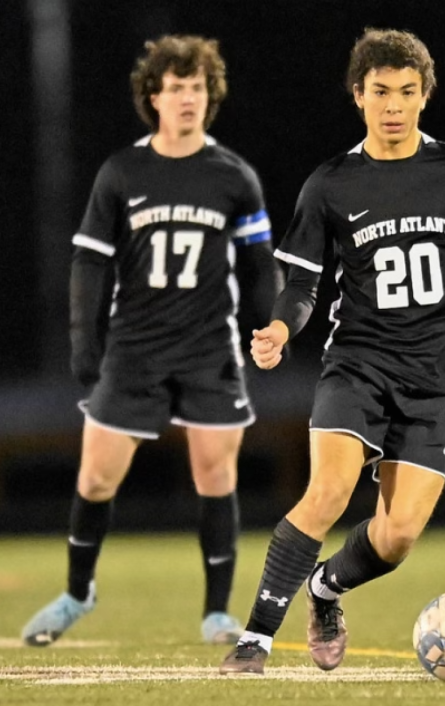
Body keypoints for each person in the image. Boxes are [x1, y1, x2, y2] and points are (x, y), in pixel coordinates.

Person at [218, 28, 445, 675]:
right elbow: (301, 283)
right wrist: (282, 328)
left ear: (425, 95)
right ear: (358, 95)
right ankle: (256, 639)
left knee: (398, 536)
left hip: (433, 379)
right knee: (328, 491)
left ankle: (326, 590)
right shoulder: (331, 184)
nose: (394, 105)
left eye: (407, 91)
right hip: (358, 364)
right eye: (381, 91)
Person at [21, 35, 281, 647]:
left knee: (216, 473)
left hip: (207, 347)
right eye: (176, 87)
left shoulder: (234, 176)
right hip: (135, 348)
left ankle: (217, 612)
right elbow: (89, 263)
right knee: (96, 479)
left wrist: (266, 326)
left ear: (208, 97)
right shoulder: (122, 171)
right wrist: (86, 340)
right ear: (153, 96)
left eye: (197, 88)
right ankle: (77, 593)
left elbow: (257, 260)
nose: (188, 98)